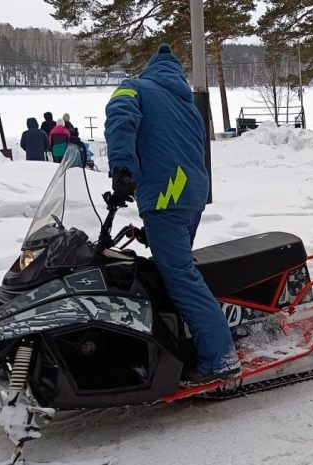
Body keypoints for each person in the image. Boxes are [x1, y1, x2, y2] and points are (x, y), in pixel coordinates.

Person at [105, 43, 239, 386]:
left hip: (166, 195)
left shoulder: (133, 87)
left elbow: (120, 119)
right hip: (191, 195)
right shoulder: (187, 104)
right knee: (173, 273)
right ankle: (181, 345)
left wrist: (121, 170)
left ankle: (219, 357)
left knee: (180, 277)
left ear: (149, 68)